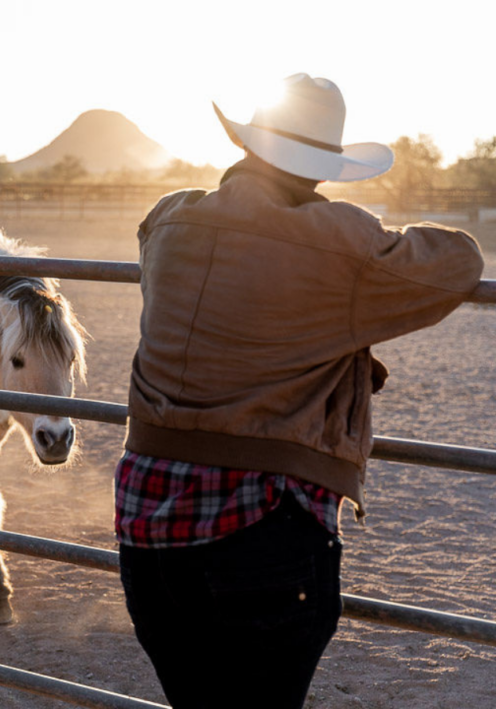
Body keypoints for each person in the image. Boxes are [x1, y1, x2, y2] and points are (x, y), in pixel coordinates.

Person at [117, 73, 484, 709]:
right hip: (261, 527)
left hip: (145, 523)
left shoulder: (170, 217)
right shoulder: (338, 241)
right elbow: (459, 259)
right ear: (325, 169)